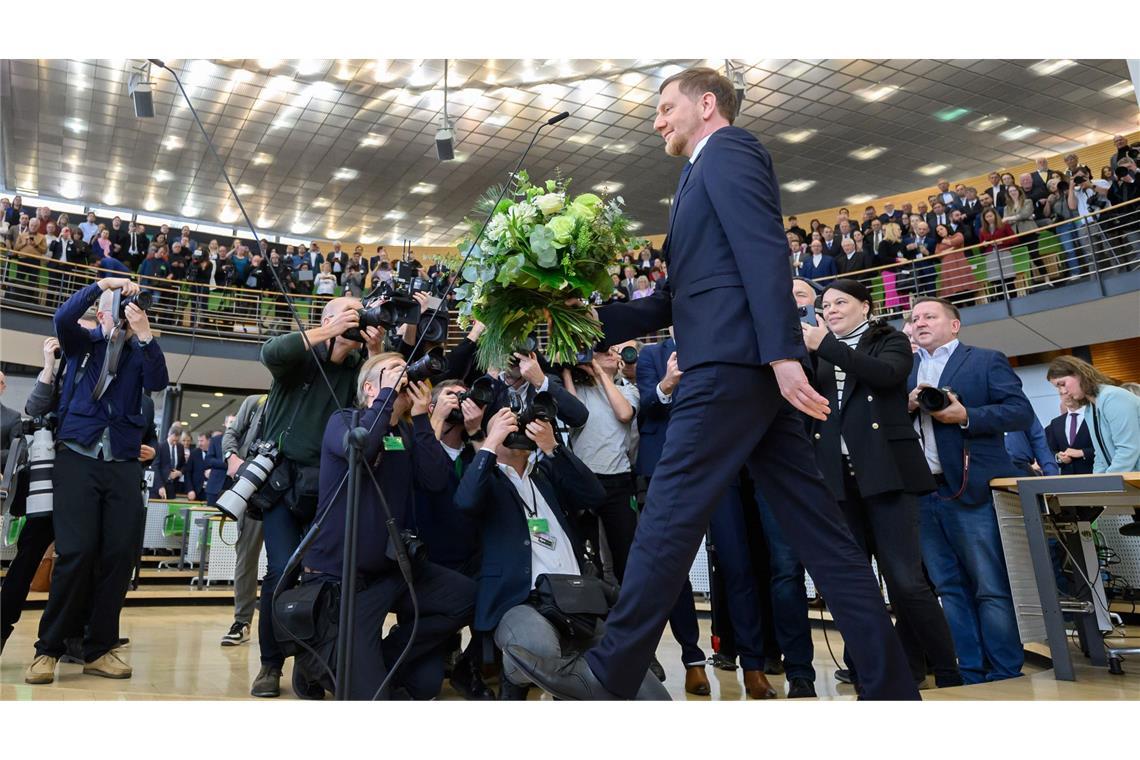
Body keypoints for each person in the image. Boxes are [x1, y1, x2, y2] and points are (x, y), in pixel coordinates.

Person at [511, 67, 917, 701]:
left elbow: (763, 252)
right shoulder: (695, 175)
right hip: (744, 368)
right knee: (825, 539)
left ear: (707, 104)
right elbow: (678, 297)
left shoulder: (731, 149)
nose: (656, 120)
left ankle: (609, 671)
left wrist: (784, 354)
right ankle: (893, 688)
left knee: (668, 517)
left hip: (731, 367)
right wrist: (588, 319)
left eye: (666, 107)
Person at [800, 280, 962, 691]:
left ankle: (947, 669)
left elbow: (887, 376)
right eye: (826, 304)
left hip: (888, 474)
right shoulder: (814, 348)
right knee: (855, 584)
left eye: (841, 302)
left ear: (866, 306)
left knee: (906, 582)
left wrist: (826, 346)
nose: (832, 309)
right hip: (838, 479)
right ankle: (870, 669)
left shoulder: (888, 338)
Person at [298, 352, 474, 700]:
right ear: (368, 388)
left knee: (467, 599)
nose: (403, 377)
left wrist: (423, 419)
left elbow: (435, 480)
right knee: (370, 697)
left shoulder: (406, 433)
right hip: (346, 580)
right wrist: (388, 396)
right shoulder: (343, 421)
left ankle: (385, 655)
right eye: (393, 372)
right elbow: (361, 449)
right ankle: (318, 665)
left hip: (393, 570)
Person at [25, 277, 169, 685]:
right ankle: (48, 650)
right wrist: (98, 286)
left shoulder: (138, 352)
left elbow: (158, 382)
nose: (118, 314)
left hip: (122, 461)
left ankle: (100, 648)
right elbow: (61, 317)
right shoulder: (82, 344)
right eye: (112, 307)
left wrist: (145, 336)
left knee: (119, 556)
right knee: (76, 553)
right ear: (102, 312)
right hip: (78, 456)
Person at [249, 296, 386, 698]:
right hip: (281, 484)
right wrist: (330, 332)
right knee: (281, 572)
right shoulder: (300, 358)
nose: (355, 320)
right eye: (349, 313)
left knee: (332, 577)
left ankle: (313, 662)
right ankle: (270, 664)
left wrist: (374, 350)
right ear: (326, 319)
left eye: (359, 314)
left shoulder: (356, 372)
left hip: (329, 489)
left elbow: (376, 402)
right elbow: (269, 352)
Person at [908, 297, 1034, 684]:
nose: (920, 322)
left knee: (990, 586)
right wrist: (907, 404)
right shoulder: (904, 370)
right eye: (914, 319)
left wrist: (968, 416)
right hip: (922, 491)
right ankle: (970, 670)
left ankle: (1004, 670)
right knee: (948, 587)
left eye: (930, 316)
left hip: (972, 488)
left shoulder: (985, 359)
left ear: (954, 325)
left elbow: (1019, 412)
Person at [219, 395, 269, 646]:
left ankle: (281, 622)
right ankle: (242, 621)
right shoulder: (256, 402)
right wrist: (233, 458)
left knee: (285, 565)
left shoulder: (301, 400)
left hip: (287, 494)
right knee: (246, 560)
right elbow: (231, 435)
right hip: (251, 491)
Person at [1046, 356, 1140, 474]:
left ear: (1079, 374)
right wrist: (1097, 481)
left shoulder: (1113, 397)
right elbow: (1100, 456)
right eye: (1058, 387)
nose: (1062, 391)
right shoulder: (1090, 409)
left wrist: (1108, 482)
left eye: (1062, 384)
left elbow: (1128, 450)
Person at [1045, 400, 1094, 476]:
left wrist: (1083, 452)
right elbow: (1049, 450)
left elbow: (1108, 447)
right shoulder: (1056, 423)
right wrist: (1058, 457)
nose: (1066, 396)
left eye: (1068, 392)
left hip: (1095, 476)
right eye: (1062, 394)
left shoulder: (1095, 417)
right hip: (1067, 480)